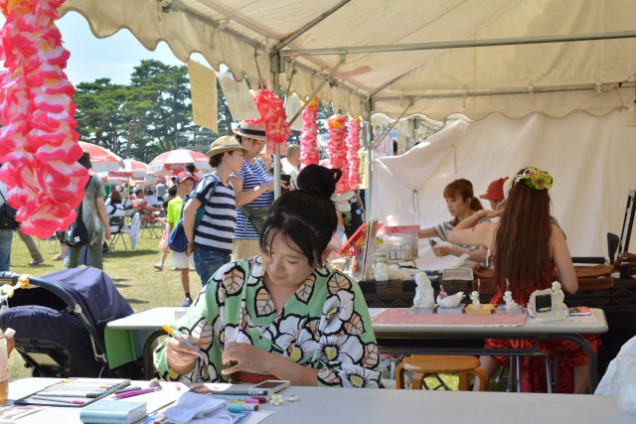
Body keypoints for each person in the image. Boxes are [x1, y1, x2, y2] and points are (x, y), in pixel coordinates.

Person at [154, 164, 381, 388]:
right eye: (268, 252)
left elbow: (357, 380)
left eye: (292, 260)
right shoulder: (230, 280)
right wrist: (178, 359)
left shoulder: (340, 292)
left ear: (323, 254)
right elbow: (182, 348)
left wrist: (267, 362)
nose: (275, 268)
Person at [448, 167, 599, 393]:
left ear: (511, 200)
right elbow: (572, 286)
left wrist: (481, 214)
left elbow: (452, 235)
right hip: (544, 318)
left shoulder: (492, 231)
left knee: (491, 352)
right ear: (543, 201)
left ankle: (475, 398)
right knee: (587, 338)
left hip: (505, 323)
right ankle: (578, 399)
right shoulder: (552, 232)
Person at [183, 136, 247, 287]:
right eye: (239, 155)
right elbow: (188, 210)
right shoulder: (210, 181)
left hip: (222, 253)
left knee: (219, 299)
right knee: (215, 299)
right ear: (226, 156)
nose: (242, 160)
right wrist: (190, 241)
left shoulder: (229, 186)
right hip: (208, 253)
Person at [229, 122, 280, 260]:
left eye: (263, 143)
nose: (262, 147)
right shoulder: (239, 164)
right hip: (246, 233)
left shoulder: (257, 163)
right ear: (245, 140)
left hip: (261, 231)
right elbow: (236, 199)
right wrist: (265, 187)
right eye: (258, 143)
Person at [417, 178, 486, 262]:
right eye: (447, 201)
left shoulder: (483, 223)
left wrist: (451, 251)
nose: (449, 205)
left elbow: (484, 256)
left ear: (467, 201)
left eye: (453, 200)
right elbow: (418, 233)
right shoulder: (449, 226)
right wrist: (398, 230)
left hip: (478, 274)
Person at [67, 151, 111, 270]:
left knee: (73, 259)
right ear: (88, 165)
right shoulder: (96, 181)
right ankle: (97, 283)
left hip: (76, 225)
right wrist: (107, 227)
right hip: (95, 226)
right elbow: (101, 206)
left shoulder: (70, 182)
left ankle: (68, 284)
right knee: (97, 258)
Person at [168, 172, 197, 307]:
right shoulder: (173, 203)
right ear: (178, 185)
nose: (188, 186)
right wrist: (167, 238)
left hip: (194, 239)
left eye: (190, 183)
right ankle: (187, 296)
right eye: (185, 183)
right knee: (184, 268)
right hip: (180, 239)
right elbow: (171, 222)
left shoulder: (195, 200)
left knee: (199, 268)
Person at [0, 181, 14, 272]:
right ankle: (4, 285)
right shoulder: (8, 179)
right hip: (6, 221)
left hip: (6, 222)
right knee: (4, 262)